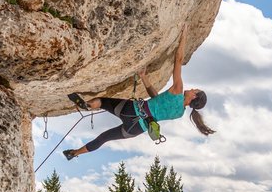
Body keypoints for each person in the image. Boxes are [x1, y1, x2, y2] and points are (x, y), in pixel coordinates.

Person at [62, 27, 214, 159]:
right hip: (137, 128)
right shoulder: (179, 113)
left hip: (132, 110)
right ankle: (74, 153)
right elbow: (157, 99)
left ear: (194, 96)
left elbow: (178, 59)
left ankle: (87, 105)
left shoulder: (178, 90)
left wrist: (184, 35)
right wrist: (144, 77)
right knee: (104, 138)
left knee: (101, 101)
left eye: (195, 90)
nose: (193, 89)